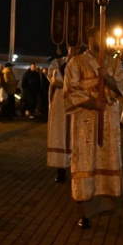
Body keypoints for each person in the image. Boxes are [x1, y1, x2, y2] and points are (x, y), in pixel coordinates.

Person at [64, 26, 123, 229]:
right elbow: (70, 91)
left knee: (107, 157)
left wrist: (107, 78)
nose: (103, 40)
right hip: (85, 121)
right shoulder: (76, 62)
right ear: (90, 39)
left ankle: (106, 203)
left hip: (108, 119)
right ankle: (84, 212)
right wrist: (91, 102)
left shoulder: (115, 63)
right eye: (99, 37)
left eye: (106, 37)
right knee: (85, 160)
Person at [47, 52, 71, 183]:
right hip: (61, 103)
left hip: (78, 104)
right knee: (60, 135)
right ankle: (61, 171)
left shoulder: (83, 61)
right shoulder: (58, 62)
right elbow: (54, 79)